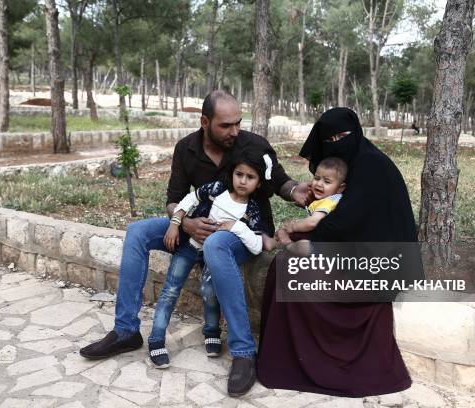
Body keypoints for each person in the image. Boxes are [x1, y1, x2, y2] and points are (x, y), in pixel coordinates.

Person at [79, 90, 311, 396]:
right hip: (196, 226)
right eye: (226, 125)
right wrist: (184, 222)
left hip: (241, 232)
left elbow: (278, 179)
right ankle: (125, 331)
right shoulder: (186, 148)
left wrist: (295, 191)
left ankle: (243, 352)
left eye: (238, 123)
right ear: (205, 122)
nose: (234, 131)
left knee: (217, 245)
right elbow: (174, 200)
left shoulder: (254, 145)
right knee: (137, 232)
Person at [257, 107, 415, 397]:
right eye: (331, 138)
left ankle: (309, 361)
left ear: (357, 132)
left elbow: (344, 222)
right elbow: (339, 215)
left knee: (289, 265)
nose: (339, 142)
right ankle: (295, 357)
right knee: (286, 264)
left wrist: (300, 237)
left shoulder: (371, 165)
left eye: (344, 136)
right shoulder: (355, 162)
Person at [149, 149, 277, 369]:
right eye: (239, 174)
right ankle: (156, 338)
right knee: (171, 289)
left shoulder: (252, 211)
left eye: (251, 177)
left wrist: (236, 226)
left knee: (210, 292)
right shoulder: (217, 189)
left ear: (259, 182)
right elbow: (190, 198)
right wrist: (175, 222)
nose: (243, 181)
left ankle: (211, 331)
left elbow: (256, 246)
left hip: (213, 256)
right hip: (190, 247)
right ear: (232, 173)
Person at [275, 157, 347, 244]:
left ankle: (288, 243)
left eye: (327, 182)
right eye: (317, 178)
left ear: (340, 188)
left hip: (326, 243)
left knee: (299, 241)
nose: (319, 184)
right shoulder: (333, 198)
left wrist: (293, 227)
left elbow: (312, 223)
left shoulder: (330, 202)